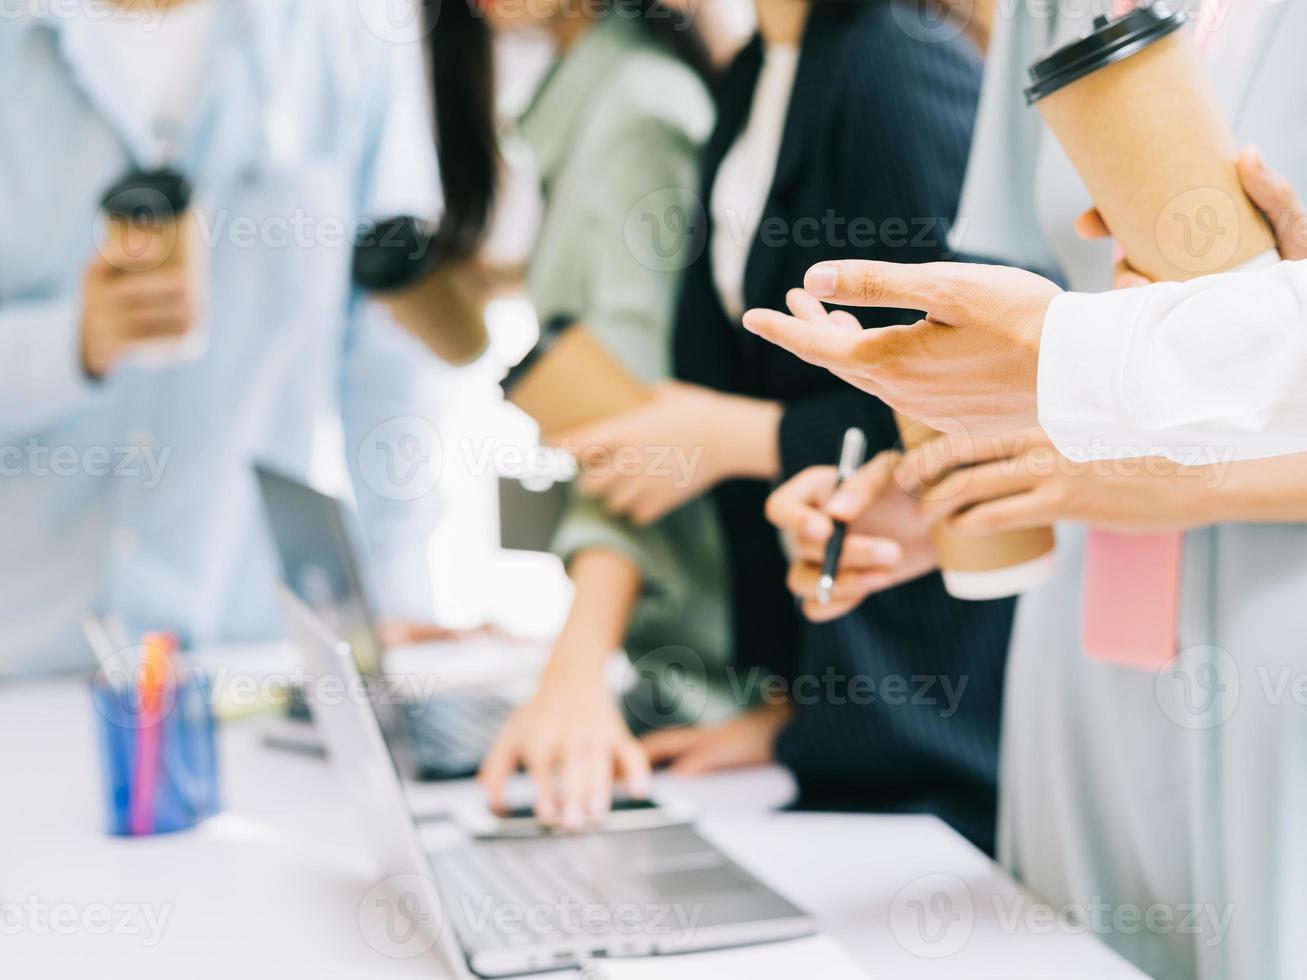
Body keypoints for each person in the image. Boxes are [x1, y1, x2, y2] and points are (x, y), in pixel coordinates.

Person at [743, 3, 1307, 976]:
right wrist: (934, 498)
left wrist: (1141, 467)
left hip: (1293, 643)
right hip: (1079, 647)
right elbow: (1024, 339)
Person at [555, 0, 1011, 852]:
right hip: (834, 711)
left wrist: (742, 439)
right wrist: (789, 716)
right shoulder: (761, 70)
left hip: (931, 732)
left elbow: (981, 393)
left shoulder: (894, 64)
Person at [0, 0, 451, 675]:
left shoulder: (352, 31)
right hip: (24, 664)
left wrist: (399, 593)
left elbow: (389, 355)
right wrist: (68, 347)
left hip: (248, 661)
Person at [475, 0, 729, 831]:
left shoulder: (635, 111)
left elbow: (640, 428)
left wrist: (573, 674)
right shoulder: (588, 103)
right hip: (662, 660)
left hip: (707, 683)